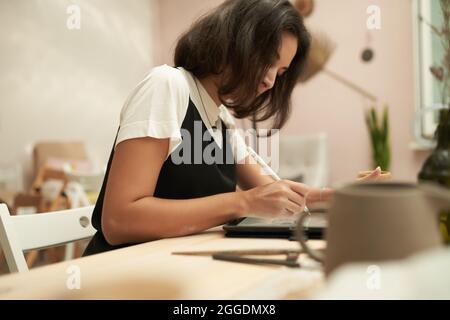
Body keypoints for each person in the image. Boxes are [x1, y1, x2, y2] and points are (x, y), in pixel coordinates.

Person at [83, 0, 380, 256]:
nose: (270, 82)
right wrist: (243, 202)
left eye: (282, 73)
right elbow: (119, 221)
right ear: (236, 39)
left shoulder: (222, 119)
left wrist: (336, 195)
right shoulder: (166, 86)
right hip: (122, 273)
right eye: (268, 61)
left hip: (176, 265)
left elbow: (272, 192)